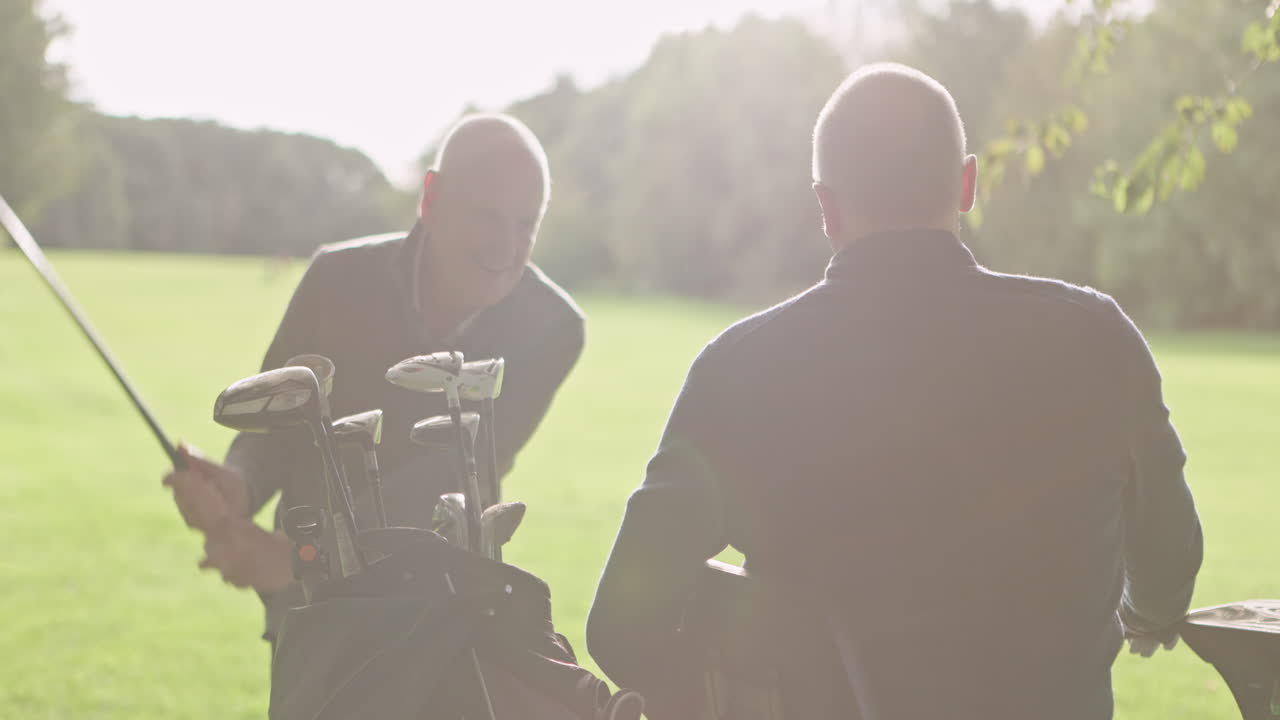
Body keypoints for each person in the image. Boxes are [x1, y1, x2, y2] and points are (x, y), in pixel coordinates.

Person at [586, 63, 1203, 719]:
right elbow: (1169, 559)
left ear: (826, 206)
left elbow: (621, 627)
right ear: (966, 183)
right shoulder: (1094, 338)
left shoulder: (741, 369)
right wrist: (1145, 612)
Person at [163, 113, 585, 643]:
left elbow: (449, 475)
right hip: (313, 609)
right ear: (431, 199)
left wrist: (298, 560)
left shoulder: (552, 327)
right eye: (488, 216)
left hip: (441, 602)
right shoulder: (335, 279)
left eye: (526, 224)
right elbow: (278, 420)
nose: (508, 246)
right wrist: (239, 486)